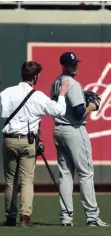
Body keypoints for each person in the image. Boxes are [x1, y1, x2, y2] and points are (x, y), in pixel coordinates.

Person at [0, 61, 69, 228]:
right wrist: (62, 94)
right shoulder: (38, 96)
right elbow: (59, 111)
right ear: (35, 77)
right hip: (29, 142)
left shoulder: (8, 92)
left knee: (11, 181)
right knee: (27, 181)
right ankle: (25, 216)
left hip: (9, 140)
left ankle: (10, 217)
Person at [50, 52, 109, 227]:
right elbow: (78, 113)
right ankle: (92, 217)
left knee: (66, 176)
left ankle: (66, 218)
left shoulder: (56, 83)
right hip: (74, 130)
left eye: (76, 63)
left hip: (59, 130)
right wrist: (92, 106)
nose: (75, 66)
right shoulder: (73, 84)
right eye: (71, 64)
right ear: (64, 66)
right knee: (86, 173)